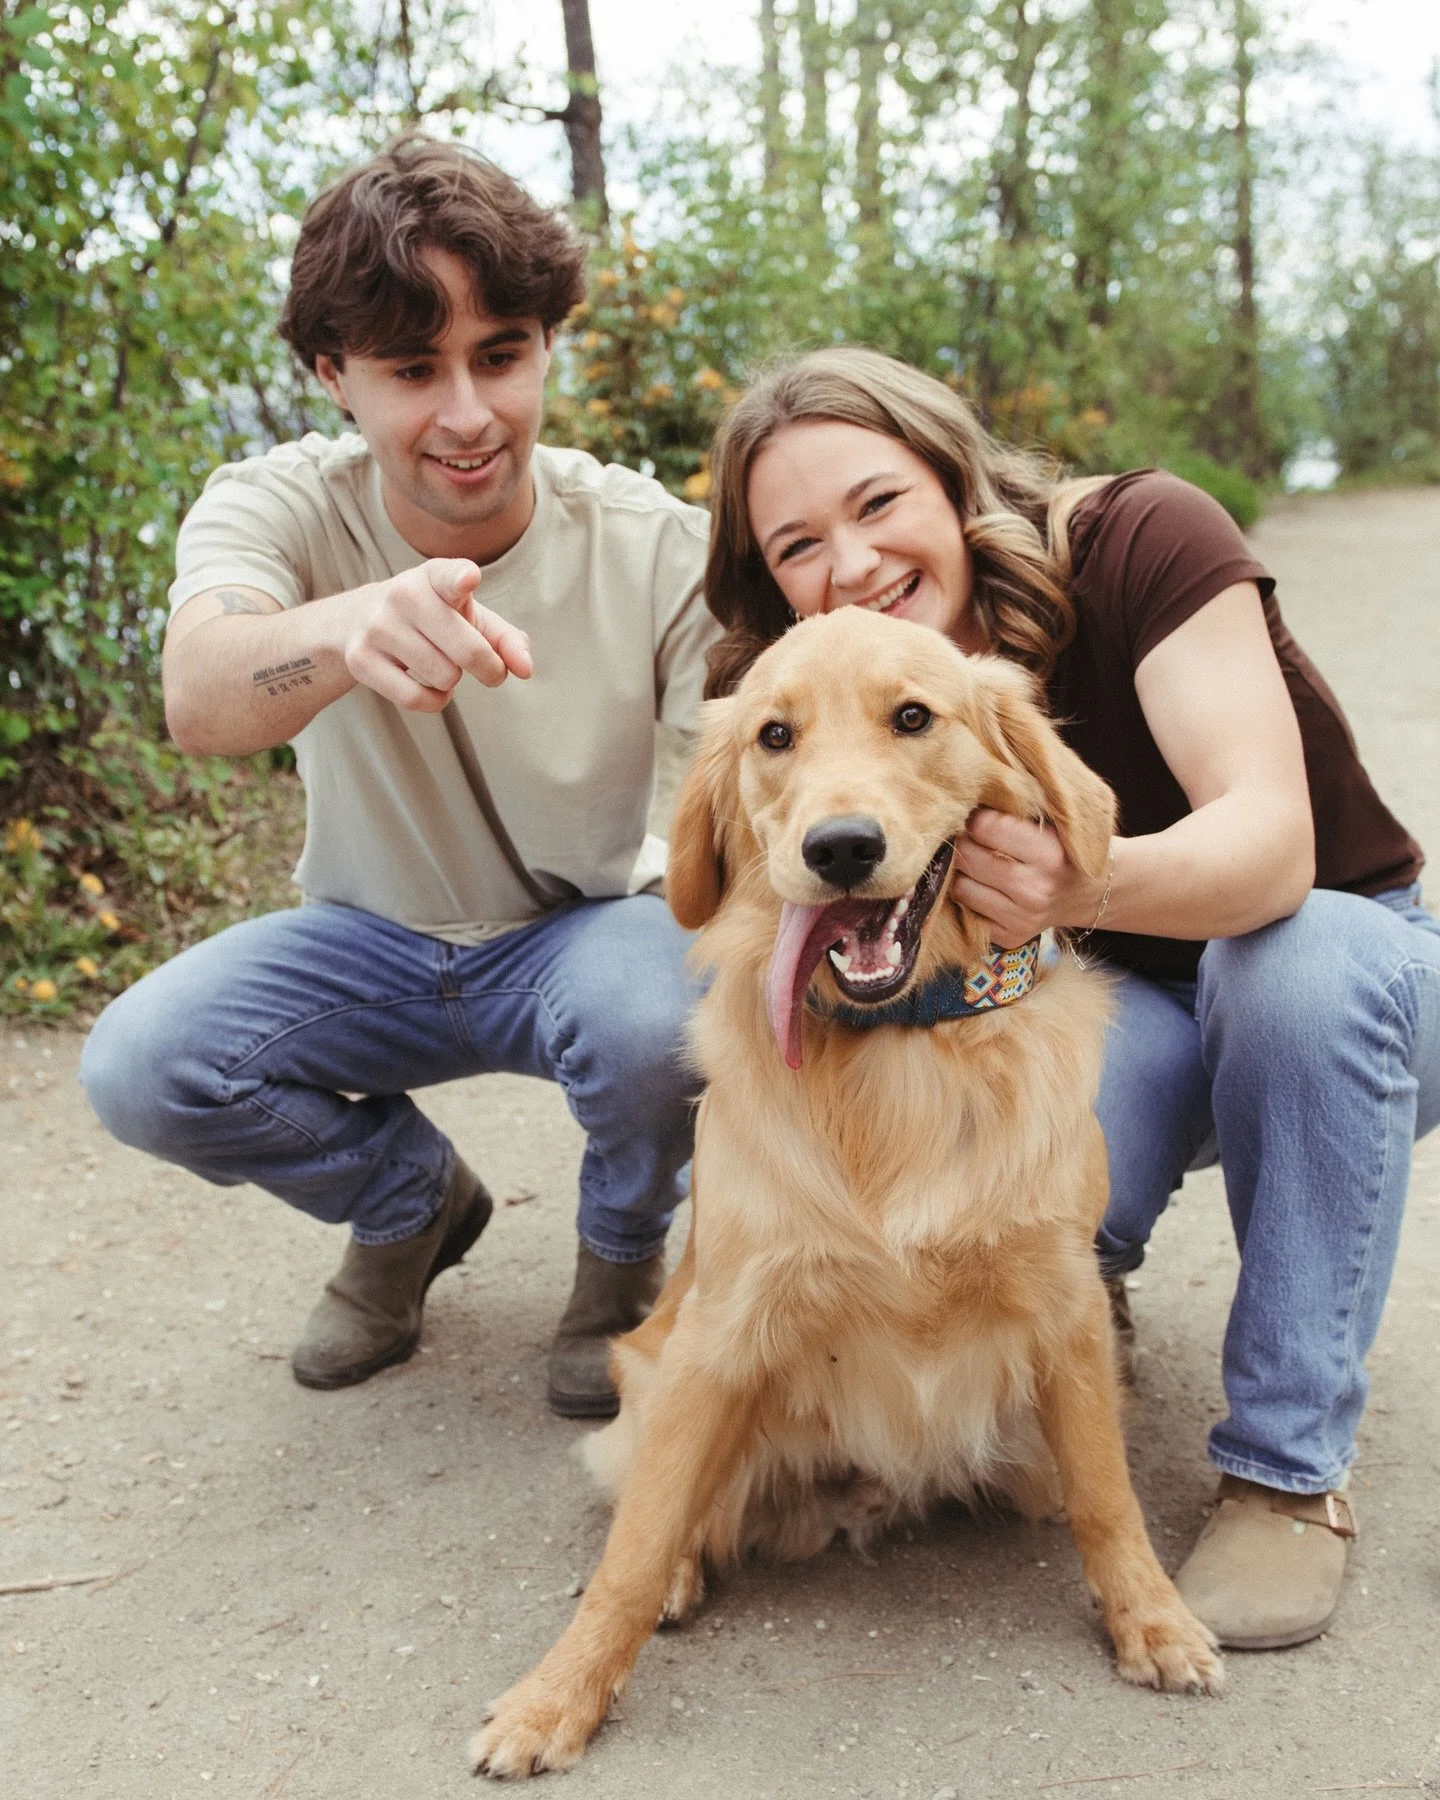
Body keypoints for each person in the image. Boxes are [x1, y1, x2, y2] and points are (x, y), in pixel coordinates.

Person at [700, 345, 1440, 1651]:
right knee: (998, 1185)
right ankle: (1088, 1299)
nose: (853, 563)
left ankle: (1285, 1473)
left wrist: (1073, 882)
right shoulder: (822, 700)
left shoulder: (1144, 537)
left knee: (1292, 968)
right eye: (799, 544)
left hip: (1338, 977)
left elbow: (1274, 848)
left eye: (879, 502)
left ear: (952, 475)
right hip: (1095, 995)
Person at [80, 136, 717, 1420]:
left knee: (662, 1019)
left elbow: (764, 768)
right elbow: (199, 694)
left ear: (548, 346)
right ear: (335, 375)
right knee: (141, 1065)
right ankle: (410, 1204)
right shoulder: (276, 506)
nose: (468, 414)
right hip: (366, 939)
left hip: (581, 931)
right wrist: (343, 629)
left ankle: (620, 1262)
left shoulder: (652, 542)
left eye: (501, 354)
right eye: (414, 370)